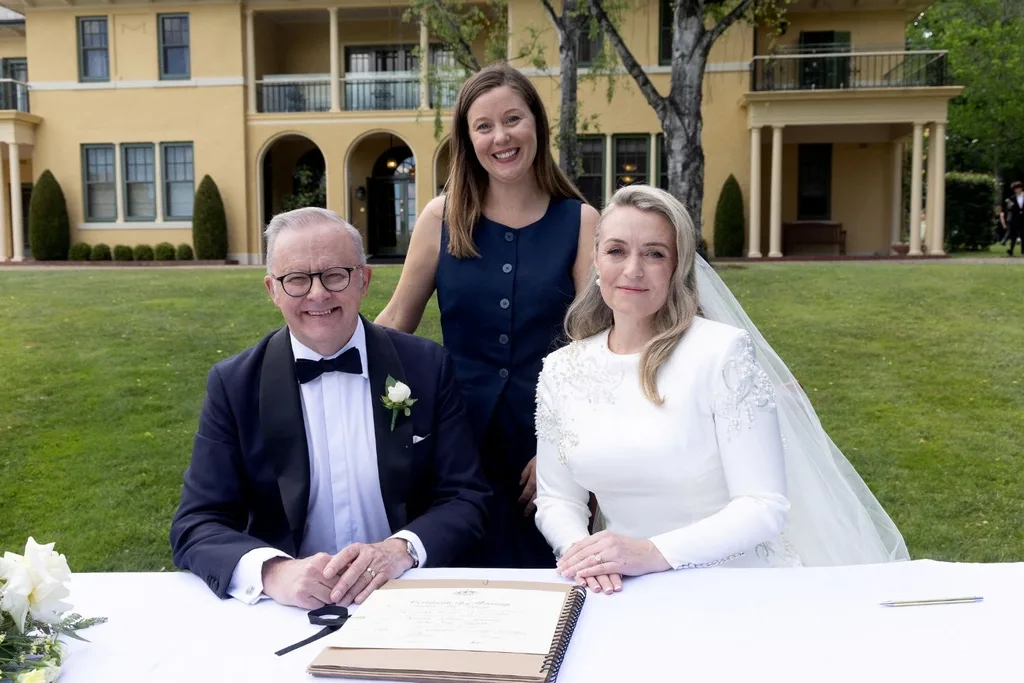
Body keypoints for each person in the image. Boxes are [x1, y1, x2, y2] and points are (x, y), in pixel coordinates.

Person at [533, 184, 909, 595]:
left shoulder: (720, 354)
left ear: (678, 267)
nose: (633, 269)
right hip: (620, 588)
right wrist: (584, 554)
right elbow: (558, 500)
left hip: (733, 584)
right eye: (617, 251)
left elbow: (762, 505)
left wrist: (650, 553)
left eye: (655, 253)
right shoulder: (561, 369)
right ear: (596, 258)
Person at [169, 207, 491, 609]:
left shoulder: (427, 367)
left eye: (335, 275)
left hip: (407, 596)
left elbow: (466, 498)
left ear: (364, 280)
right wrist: (274, 572)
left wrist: (400, 550)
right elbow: (196, 524)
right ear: (273, 290)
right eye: (297, 280)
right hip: (288, 610)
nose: (317, 294)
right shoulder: (234, 385)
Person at [374, 63, 599, 569]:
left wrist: (565, 454)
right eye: (484, 126)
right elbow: (396, 320)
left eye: (513, 119)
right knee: (457, 586)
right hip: (456, 443)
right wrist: (320, 350)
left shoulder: (581, 222)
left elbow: (599, 350)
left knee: (554, 584)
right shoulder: (441, 218)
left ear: (537, 124)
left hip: (542, 446)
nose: (501, 137)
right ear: (467, 138)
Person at [1006, 181, 1023, 256]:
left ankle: (1023, 250)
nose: (1017, 190)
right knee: (1013, 235)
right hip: (1015, 219)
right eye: (1016, 189)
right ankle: (1011, 250)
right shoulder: (1012, 198)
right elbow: (1009, 209)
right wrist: (1009, 205)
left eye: (1019, 188)